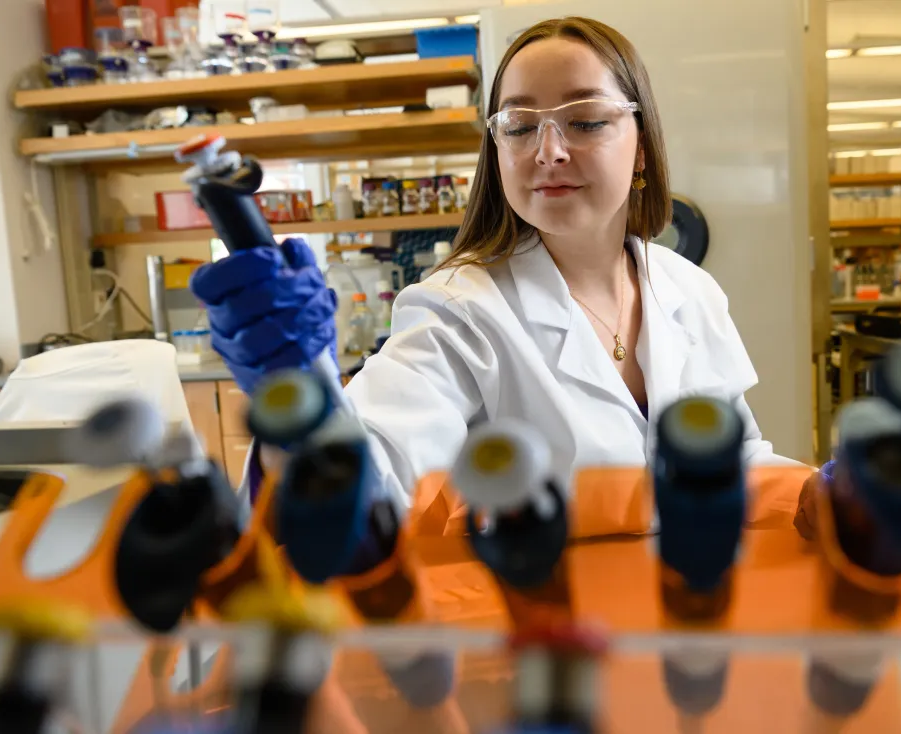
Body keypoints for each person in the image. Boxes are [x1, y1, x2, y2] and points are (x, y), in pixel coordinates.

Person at [191, 16, 820, 535]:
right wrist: (300, 407)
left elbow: (734, 458)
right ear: (497, 153)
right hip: (544, 643)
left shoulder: (688, 290)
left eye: (586, 120)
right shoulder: (457, 312)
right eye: (519, 127)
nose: (548, 150)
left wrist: (817, 496)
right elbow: (372, 487)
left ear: (644, 149)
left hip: (691, 620)